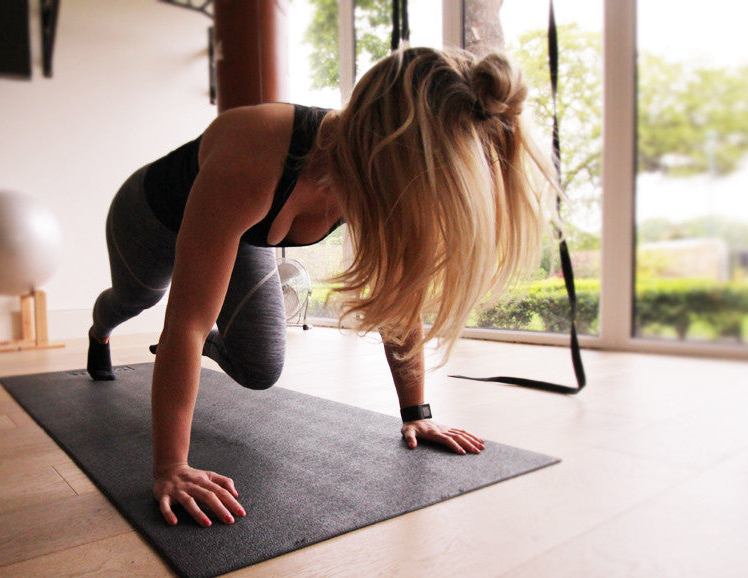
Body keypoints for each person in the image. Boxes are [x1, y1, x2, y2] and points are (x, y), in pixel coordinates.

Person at [87, 46, 556, 528]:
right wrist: (172, 467)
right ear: (384, 146)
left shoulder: (378, 180)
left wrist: (417, 412)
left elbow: (400, 296)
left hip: (240, 230)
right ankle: (98, 334)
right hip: (149, 219)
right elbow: (184, 322)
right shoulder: (258, 152)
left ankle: (195, 344)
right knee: (134, 300)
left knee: (260, 366)